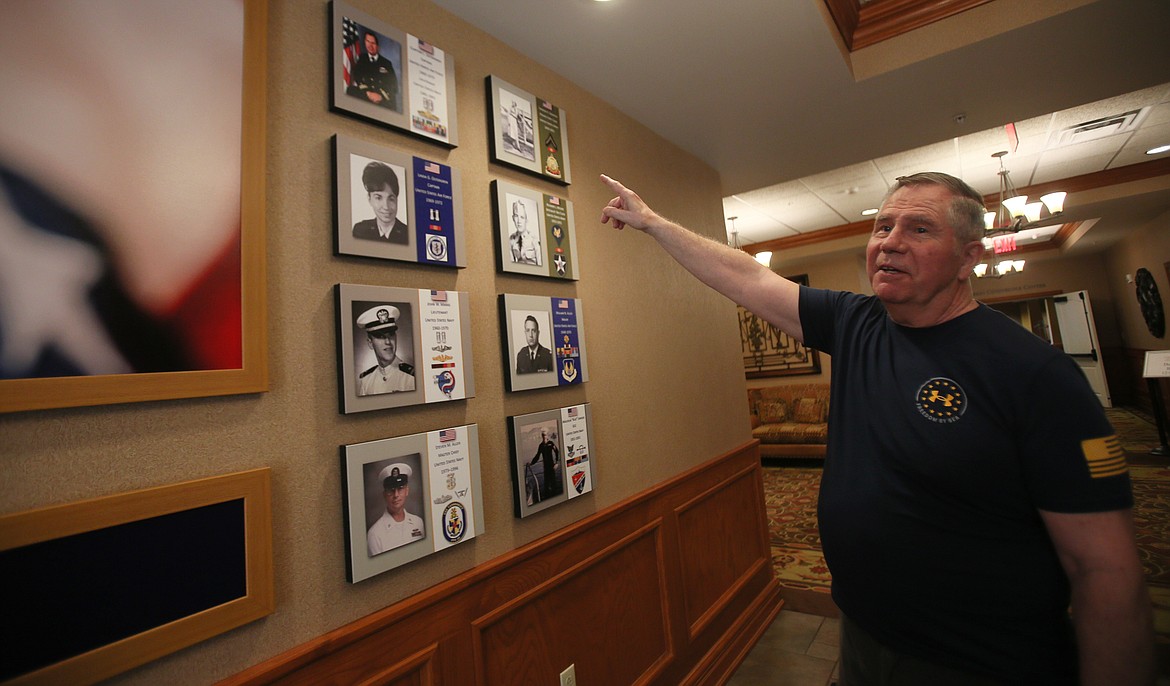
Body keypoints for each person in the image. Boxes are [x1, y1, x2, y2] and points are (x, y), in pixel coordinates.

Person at [598, 173, 1154, 684]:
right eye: (882, 226)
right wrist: (652, 223)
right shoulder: (856, 323)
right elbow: (746, 276)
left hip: (981, 660)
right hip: (864, 636)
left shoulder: (1037, 375)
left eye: (919, 228)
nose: (889, 241)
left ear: (969, 258)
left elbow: (1106, 571)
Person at [355, 304, 414, 396]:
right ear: (370, 343)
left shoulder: (411, 377)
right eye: (380, 337)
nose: (388, 341)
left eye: (391, 335)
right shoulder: (366, 380)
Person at [366, 462, 424, 555]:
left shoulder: (418, 522)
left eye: (400, 488)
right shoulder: (375, 534)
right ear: (384, 495)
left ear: (407, 491)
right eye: (391, 490)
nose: (396, 495)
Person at [352, 161, 408, 245]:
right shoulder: (360, 231)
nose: (386, 207)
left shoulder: (407, 234)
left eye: (391, 199)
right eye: (378, 198)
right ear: (369, 199)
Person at [347, 31, 398, 110]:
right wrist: (368, 93)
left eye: (373, 43)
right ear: (365, 42)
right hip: (365, 96)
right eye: (368, 42)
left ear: (378, 46)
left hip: (382, 100)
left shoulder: (386, 63)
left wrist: (380, 96)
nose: (370, 45)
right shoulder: (361, 59)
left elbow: (394, 86)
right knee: (350, 91)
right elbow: (357, 78)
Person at [529, 429, 561, 499]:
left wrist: (557, 463)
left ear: (547, 436)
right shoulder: (541, 446)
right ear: (542, 436)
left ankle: (555, 497)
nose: (544, 436)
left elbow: (557, 452)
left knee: (553, 483)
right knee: (546, 484)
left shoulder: (551, 443)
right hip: (545, 467)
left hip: (552, 466)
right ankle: (548, 498)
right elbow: (537, 456)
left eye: (545, 435)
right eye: (543, 435)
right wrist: (531, 463)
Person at [508, 200, 541, 266]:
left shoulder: (534, 239)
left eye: (522, 217)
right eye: (516, 216)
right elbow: (511, 266)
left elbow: (541, 265)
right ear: (513, 218)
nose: (519, 221)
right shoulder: (511, 240)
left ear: (526, 220)